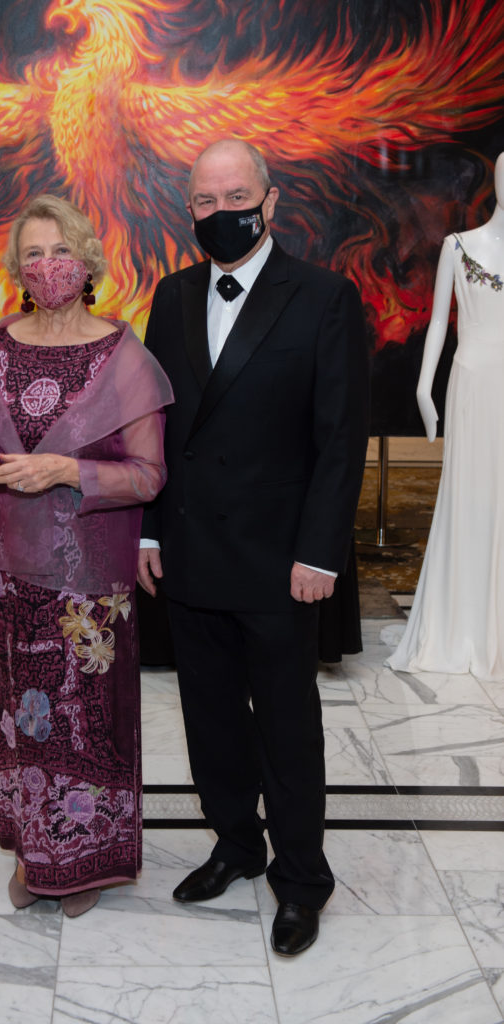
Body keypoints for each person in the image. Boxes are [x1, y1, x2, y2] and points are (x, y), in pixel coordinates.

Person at [138, 139, 369, 955]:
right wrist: (151, 526)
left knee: (286, 727)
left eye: (236, 197)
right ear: (190, 210)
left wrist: (321, 553)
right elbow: (157, 428)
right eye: (205, 201)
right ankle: (236, 845)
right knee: (209, 719)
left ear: (270, 202)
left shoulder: (325, 297)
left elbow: (340, 439)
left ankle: (301, 878)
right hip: (191, 550)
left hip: (280, 562)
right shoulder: (170, 295)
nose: (221, 212)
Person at [0, 195, 173, 916]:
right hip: (7, 569)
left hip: (88, 579)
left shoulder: (125, 355)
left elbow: (149, 476)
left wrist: (65, 470)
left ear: (88, 261)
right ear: (17, 269)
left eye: (61, 250)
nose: (48, 266)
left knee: (85, 717)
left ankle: (85, 860)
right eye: (33, 254)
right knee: (22, 717)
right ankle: (33, 851)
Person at [387, 152, 504, 682]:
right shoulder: (459, 247)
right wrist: (422, 387)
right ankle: (462, 625)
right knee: (471, 496)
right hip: (474, 383)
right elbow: (437, 323)